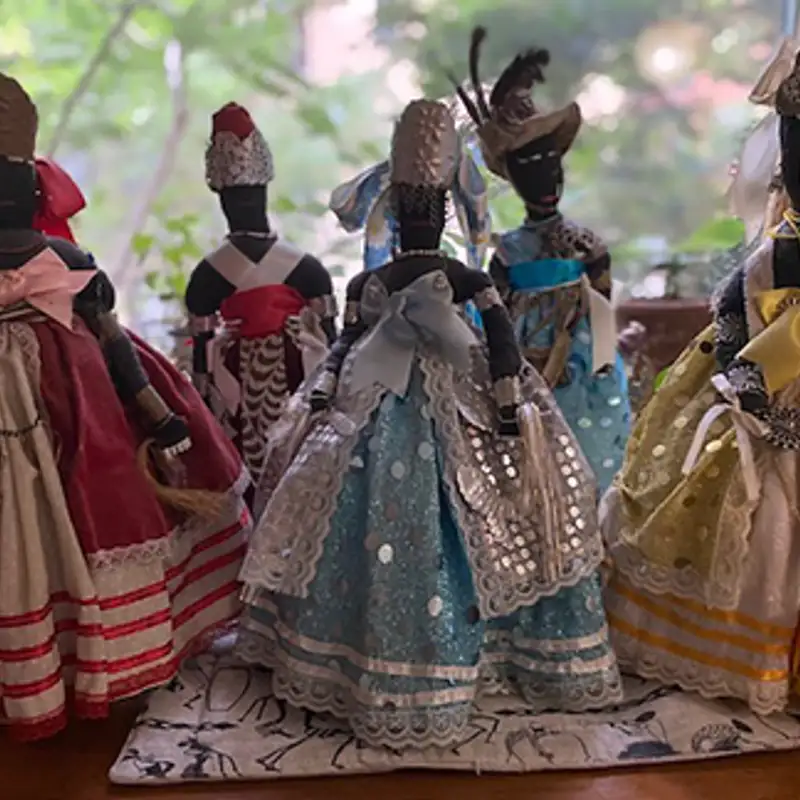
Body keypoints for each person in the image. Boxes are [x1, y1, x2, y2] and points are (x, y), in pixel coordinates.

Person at [236, 98, 621, 750]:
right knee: (336, 501)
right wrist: (324, 387)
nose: (421, 220)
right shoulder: (373, 283)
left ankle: (488, 645)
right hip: (376, 393)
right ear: (398, 210)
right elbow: (345, 343)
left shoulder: (464, 276)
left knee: (486, 506)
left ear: (442, 212)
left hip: (453, 389)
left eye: (428, 210)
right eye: (413, 210)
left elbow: (500, 339)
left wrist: (507, 394)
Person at [0, 73, 250, 741]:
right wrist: (157, 415)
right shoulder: (67, 261)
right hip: (66, 405)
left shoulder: (68, 263)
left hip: (77, 417)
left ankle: (63, 665)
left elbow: (117, 350)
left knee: (77, 508)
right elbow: (116, 351)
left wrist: (159, 416)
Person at [602, 40, 800, 713]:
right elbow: (734, 312)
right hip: (762, 390)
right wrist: (747, 382)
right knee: (751, 507)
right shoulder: (771, 257)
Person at [450, 28, 630, 492]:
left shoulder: (584, 243)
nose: (548, 179)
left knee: (587, 453)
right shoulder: (508, 251)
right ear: (513, 179)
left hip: (582, 365)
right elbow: (492, 311)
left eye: (553, 167)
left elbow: (603, 300)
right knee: (532, 458)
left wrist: (602, 351)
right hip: (526, 365)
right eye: (532, 170)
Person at [185, 103, 337, 490]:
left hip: (299, 386)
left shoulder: (303, 269)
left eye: (249, 194)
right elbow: (201, 365)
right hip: (237, 393)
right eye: (236, 195)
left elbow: (336, 349)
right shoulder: (210, 277)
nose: (243, 203)